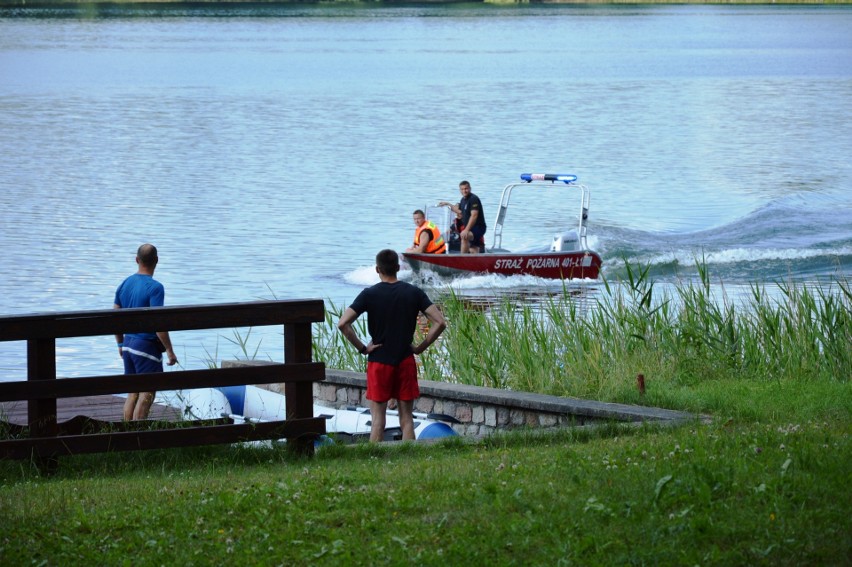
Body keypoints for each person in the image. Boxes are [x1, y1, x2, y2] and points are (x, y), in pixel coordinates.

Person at [337, 249, 447, 442]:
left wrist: (363, 348)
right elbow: (440, 322)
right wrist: (421, 347)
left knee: (378, 420)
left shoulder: (369, 294)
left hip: (379, 362)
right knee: (407, 419)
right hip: (405, 359)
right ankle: (409, 462)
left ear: (377, 269)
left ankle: (375, 462)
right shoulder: (414, 292)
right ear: (398, 267)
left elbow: (343, 323)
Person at [113, 243, 178, 421]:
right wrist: (170, 351)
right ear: (156, 260)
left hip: (128, 345)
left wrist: (120, 343)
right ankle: (139, 438)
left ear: (136, 260)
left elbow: (114, 316)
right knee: (146, 394)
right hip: (146, 347)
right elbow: (158, 322)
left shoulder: (125, 283)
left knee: (132, 393)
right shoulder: (156, 287)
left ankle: (127, 435)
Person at [438, 180, 486, 254]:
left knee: (464, 236)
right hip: (471, 229)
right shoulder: (463, 200)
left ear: (470, 188)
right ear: (460, 190)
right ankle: (473, 264)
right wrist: (447, 204)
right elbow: (458, 211)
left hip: (478, 227)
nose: (464, 191)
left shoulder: (473, 199)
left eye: (466, 188)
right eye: (462, 189)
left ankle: (462, 258)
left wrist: (466, 230)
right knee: (473, 248)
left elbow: (474, 215)